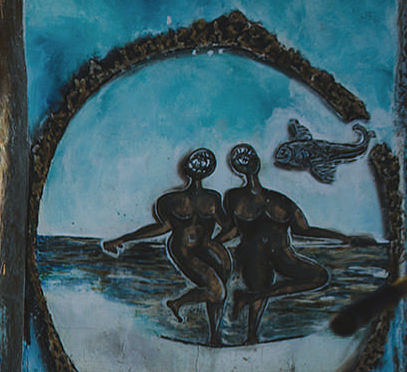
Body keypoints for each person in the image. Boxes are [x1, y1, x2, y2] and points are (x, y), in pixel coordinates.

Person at [221, 142, 370, 345]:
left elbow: (305, 230)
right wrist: (212, 243)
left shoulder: (279, 200)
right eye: (240, 159)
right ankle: (251, 334)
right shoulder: (236, 197)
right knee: (260, 280)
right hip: (253, 253)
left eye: (249, 157)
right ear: (238, 167)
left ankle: (247, 298)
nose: (246, 162)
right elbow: (232, 230)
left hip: (281, 254)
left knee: (320, 276)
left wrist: (344, 238)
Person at [102, 147, 233, 346]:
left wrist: (217, 244)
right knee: (217, 291)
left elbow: (230, 227)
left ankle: (214, 337)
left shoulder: (213, 199)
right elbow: (161, 228)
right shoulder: (171, 201)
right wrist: (123, 239)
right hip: (183, 250)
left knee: (218, 293)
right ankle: (178, 303)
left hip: (207, 249)